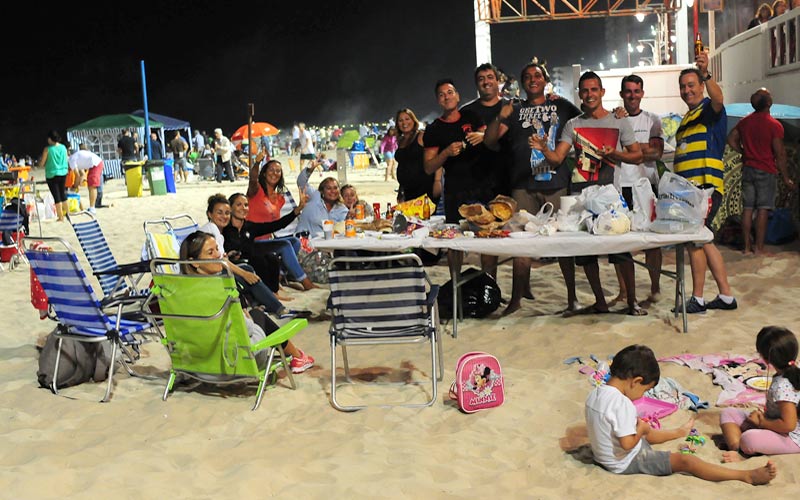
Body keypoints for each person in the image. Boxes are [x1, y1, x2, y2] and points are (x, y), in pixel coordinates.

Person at [532, 71, 645, 317]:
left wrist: (614, 155)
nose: (589, 94)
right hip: (581, 196)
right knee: (586, 254)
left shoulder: (618, 120)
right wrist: (543, 148)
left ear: (602, 92)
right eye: (585, 90)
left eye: (594, 89)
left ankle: (633, 302)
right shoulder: (573, 124)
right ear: (580, 94)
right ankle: (600, 301)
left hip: (610, 196)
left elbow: (637, 155)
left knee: (620, 250)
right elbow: (557, 158)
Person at [586, 344, 777, 485]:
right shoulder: (622, 404)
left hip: (604, 455)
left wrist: (641, 430)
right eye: (645, 390)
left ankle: (679, 432)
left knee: (644, 431)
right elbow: (628, 444)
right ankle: (746, 476)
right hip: (625, 462)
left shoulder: (595, 394)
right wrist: (642, 428)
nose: (642, 395)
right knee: (686, 461)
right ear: (636, 381)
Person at [485, 61, 581, 315]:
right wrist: (500, 116)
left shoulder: (561, 105)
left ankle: (572, 298)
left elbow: (586, 120)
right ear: (523, 83)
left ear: (545, 79)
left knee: (564, 243)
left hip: (556, 183)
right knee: (521, 243)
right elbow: (490, 140)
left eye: (537, 75)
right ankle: (517, 298)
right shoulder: (515, 110)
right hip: (523, 185)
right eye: (527, 76)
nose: (532, 79)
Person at [179, 231, 314, 374]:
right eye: (210, 252)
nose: (218, 255)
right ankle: (298, 356)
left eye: (217, 249)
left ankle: (297, 355)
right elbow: (246, 329)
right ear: (194, 262)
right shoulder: (220, 288)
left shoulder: (178, 291)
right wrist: (248, 319)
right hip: (234, 361)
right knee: (256, 314)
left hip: (197, 360)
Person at [673, 52, 737, 314]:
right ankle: (725, 295)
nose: (687, 91)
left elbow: (719, 99)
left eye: (692, 85)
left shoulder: (710, 111)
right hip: (690, 191)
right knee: (704, 239)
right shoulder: (685, 120)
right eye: (683, 87)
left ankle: (698, 298)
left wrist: (707, 73)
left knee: (696, 240)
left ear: (701, 87)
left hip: (704, 188)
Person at [423, 78, 497, 279]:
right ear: (438, 100)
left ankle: (491, 284)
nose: (446, 97)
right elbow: (429, 167)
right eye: (442, 94)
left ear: (457, 96)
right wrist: (446, 152)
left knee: (487, 239)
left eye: (450, 92)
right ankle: (455, 283)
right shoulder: (434, 129)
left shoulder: (472, 116)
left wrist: (482, 136)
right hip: (455, 191)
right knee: (454, 241)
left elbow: (490, 140)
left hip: (482, 186)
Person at [611, 74, 665, 308]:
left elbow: (656, 153)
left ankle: (655, 288)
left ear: (642, 93)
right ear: (622, 94)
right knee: (619, 241)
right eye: (628, 91)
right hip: (619, 185)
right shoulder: (614, 119)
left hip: (646, 185)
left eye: (636, 91)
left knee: (652, 241)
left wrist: (629, 148)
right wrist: (638, 150)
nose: (632, 95)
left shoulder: (653, 119)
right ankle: (624, 291)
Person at [199, 194, 298, 314]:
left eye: (227, 213)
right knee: (247, 271)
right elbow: (220, 262)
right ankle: (278, 308)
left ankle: (262, 304)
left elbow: (222, 258)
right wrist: (245, 274)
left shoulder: (219, 233)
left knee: (252, 266)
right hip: (206, 274)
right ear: (210, 214)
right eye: (219, 213)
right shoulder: (211, 230)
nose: (224, 216)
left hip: (214, 268)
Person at [727, 88, 794, 255]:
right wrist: (786, 178)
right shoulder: (774, 125)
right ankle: (759, 247)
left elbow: (731, 139)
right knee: (763, 208)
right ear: (769, 103)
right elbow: (780, 153)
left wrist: (743, 152)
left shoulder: (744, 122)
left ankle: (746, 247)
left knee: (748, 208)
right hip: (766, 170)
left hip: (748, 169)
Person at [720, 326, 800, 461]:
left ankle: (740, 451)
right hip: (776, 424)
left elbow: (789, 425)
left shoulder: (782, 385)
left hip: (793, 437)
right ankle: (737, 447)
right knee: (728, 413)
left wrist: (762, 422)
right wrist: (764, 417)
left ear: (766, 359)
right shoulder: (789, 374)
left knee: (749, 438)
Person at [225, 192, 317, 292]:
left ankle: (280, 275)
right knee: (284, 246)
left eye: (246, 205)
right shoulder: (225, 228)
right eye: (239, 205)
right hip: (245, 258)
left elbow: (276, 225)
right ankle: (304, 281)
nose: (243, 208)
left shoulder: (249, 227)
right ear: (230, 208)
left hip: (252, 250)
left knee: (294, 241)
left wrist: (298, 210)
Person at [395, 108, 441, 205]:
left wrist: (437, 181)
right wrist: (401, 190)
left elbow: (437, 158)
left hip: (424, 188)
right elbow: (404, 165)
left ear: (413, 120)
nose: (404, 123)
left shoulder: (422, 136)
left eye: (407, 119)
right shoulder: (401, 141)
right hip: (408, 191)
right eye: (400, 120)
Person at [296, 167, 348, 236]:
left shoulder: (342, 209)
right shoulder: (314, 195)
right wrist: (310, 169)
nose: (333, 191)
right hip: (303, 241)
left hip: (325, 244)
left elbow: (341, 230)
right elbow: (301, 182)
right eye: (329, 188)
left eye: (335, 188)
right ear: (322, 191)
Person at [39, 130, 69, 222]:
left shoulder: (47, 149)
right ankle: (68, 214)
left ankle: (60, 217)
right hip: (63, 172)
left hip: (52, 174)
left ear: (50, 139)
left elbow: (42, 163)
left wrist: (40, 163)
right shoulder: (63, 147)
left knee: (57, 196)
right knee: (63, 194)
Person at [67, 143, 104, 214]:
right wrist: (77, 185)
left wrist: (75, 186)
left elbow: (77, 175)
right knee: (90, 185)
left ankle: (92, 208)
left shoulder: (71, 161)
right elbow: (82, 174)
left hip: (96, 164)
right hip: (95, 163)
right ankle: (92, 207)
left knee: (92, 186)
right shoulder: (74, 160)